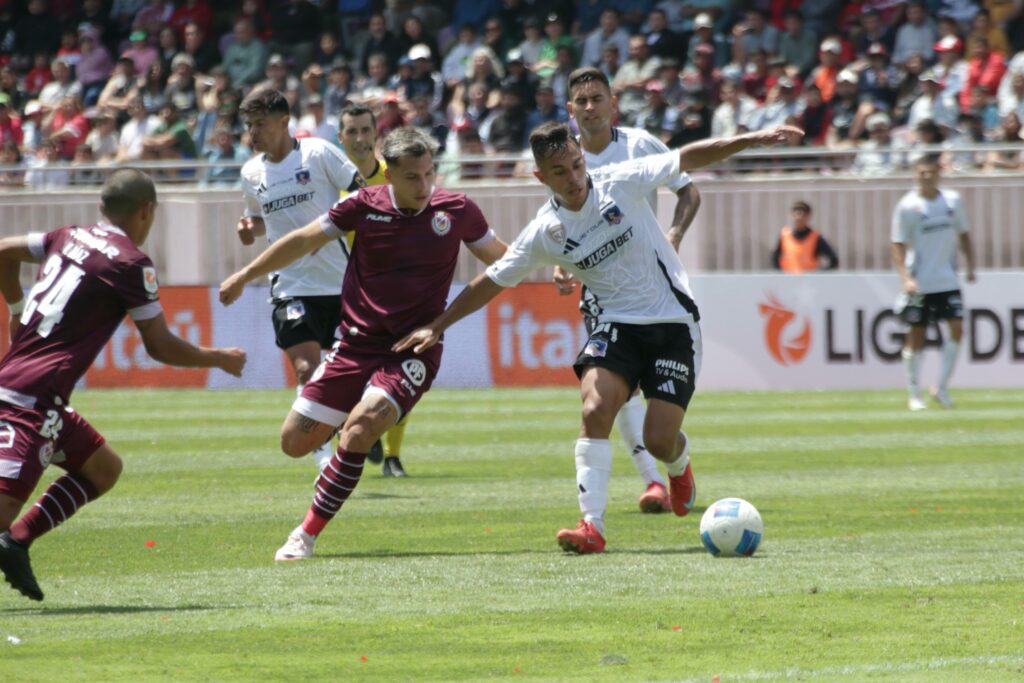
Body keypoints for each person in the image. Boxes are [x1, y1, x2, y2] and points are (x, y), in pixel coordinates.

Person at [395, 122, 803, 554]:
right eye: (559, 172)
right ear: (540, 177)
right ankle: (593, 527)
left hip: (672, 323)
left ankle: (679, 467)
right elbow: (493, 280)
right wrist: (438, 324)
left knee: (660, 440)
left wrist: (750, 140)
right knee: (594, 408)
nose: (572, 178)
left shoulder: (620, 182)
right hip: (615, 326)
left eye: (576, 165)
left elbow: (688, 157)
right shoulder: (546, 230)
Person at [219, 127, 508, 561]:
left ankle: (305, 534)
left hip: (414, 349)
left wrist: (442, 323)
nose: (425, 186)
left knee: (359, 427)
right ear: (388, 174)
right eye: (413, 177)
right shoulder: (360, 206)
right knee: (294, 443)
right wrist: (245, 275)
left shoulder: (457, 209)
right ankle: (345, 455)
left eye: (430, 173)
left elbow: (504, 263)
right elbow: (301, 241)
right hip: (354, 345)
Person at [0, 169, 246, 601]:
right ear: (146, 211)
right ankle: (9, 536)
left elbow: (3, 252)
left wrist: (17, 312)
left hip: (35, 393)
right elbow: (160, 345)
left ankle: (15, 543)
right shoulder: (130, 264)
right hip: (31, 400)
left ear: (102, 207)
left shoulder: (67, 235)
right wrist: (216, 358)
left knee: (103, 468)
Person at [552, 66, 701, 515]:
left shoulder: (639, 145)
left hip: (653, 289)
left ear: (612, 102)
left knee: (656, 423)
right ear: (571, 109)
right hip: (602, 294)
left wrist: (673, 235)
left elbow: (689, 192)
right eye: (583, 101)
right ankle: (652, 482)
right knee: (610, 395)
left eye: (598, 98)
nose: (591, 107)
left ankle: (669, 464)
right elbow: (561, 224)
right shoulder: (566, 160)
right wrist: (564, 267)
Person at [236, 88, 363, 473]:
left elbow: (362, 194)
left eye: (259, 124)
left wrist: (325, 231)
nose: (252, 133)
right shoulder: (250, 172)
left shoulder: (318, 153)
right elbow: (259, 219)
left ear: (282, 121)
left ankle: (348, 430)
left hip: (341, 284)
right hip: (291, 287)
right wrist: (249, 229)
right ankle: (322, 455)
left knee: (349, 375)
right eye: (248, 125)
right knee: (307, 369)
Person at [336, 104, 410, 478]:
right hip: (348, 294)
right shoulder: (333, 184)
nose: (361, 139)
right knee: (348, 377)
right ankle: (360, 438)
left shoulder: (394, 176)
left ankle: (393, 456)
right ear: (341, 138)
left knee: (403, 374)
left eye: (367, 131)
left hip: (397, 293)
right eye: (353, 132)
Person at [891, 155, 976, 412]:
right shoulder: (907, 206)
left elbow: (964, 234)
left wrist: (971, 265)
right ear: (915, 175)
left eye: (930, 172)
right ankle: (914, 393)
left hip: (947, 279)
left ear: (938, 173)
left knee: (958, 330)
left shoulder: (952, 201)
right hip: (920, 282)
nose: (925, 177)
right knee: (916, 336)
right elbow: (897, 243)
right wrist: (905, 277)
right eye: (921, 173)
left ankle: (940, 387)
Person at [772, 201, 839, 272]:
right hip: (788, 280)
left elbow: (834, 259)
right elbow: (775, 258)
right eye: (795, 214)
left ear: (808, 216)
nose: (798, 217)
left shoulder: (816, 237)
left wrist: (820, 275)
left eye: (802, 214)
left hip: (808, 281)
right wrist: (780, 274)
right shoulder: (784, 236)